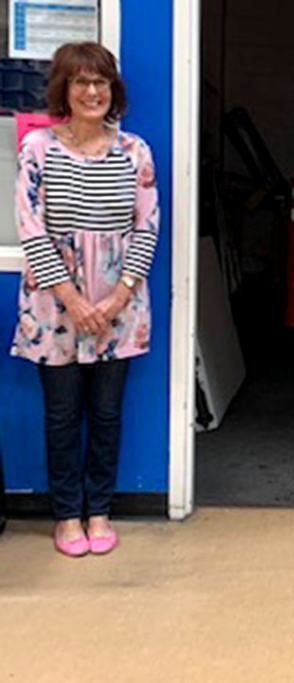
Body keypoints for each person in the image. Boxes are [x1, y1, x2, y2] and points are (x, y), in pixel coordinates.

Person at [11, 42, 160, 557]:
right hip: (55, 307)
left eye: (101, 82)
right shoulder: (38, 150)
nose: (92, 91)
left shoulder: (134, 151)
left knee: (106, 413)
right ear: (64, 90)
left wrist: (118, 298)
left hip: (119, 307)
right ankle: (66, 515)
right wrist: (73, 301)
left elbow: (147, 228)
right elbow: (31, 230)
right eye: (80, 82)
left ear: (112, 90)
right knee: (61, 414)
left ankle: (100, 510)